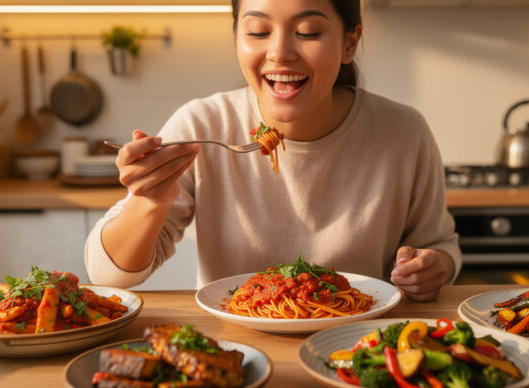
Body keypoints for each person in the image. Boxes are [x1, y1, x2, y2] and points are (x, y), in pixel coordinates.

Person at [85, 0, 461, 302]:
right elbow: (108, 275)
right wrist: (149, 202)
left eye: (307, 32)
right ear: (237, 37)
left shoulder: (403, 133)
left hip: (359, 346)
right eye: (258, 31)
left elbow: (440, 245)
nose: (280, 52)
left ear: (350, 43)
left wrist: (432, 267)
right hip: (234, 351)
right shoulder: (202, 127)